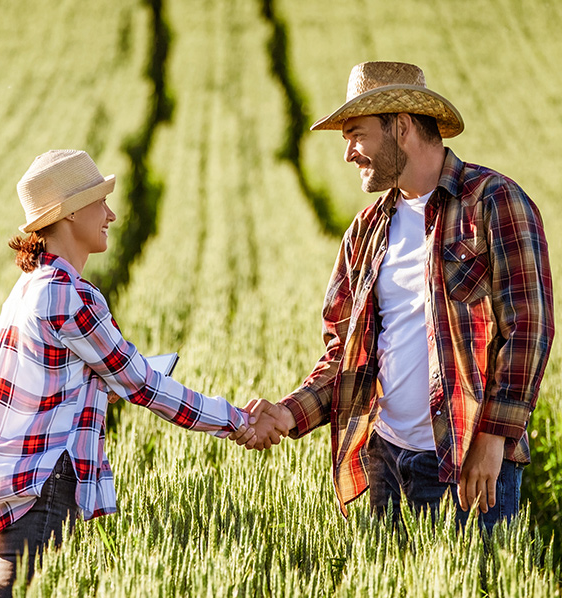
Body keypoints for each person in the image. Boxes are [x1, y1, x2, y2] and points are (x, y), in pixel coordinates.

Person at [233, 61, 554, 530]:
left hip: (464, 463)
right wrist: (286, 412)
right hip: (384, 459)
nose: (348, 154)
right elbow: (345, 354)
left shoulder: (492, 201)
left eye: (356, 134)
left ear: (401, 126)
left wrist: (494, 438)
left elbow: (529, 328)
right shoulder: (365, 231)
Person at [0, 149, 250, 598]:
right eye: (100, 203)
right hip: (44, 487)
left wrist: (98, 388)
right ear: (71, 213)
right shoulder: (70, 296)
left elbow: (55, 387)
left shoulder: (30, 288)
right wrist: (238, 420)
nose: (111, 215)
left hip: (17, 488)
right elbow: (142, 384)